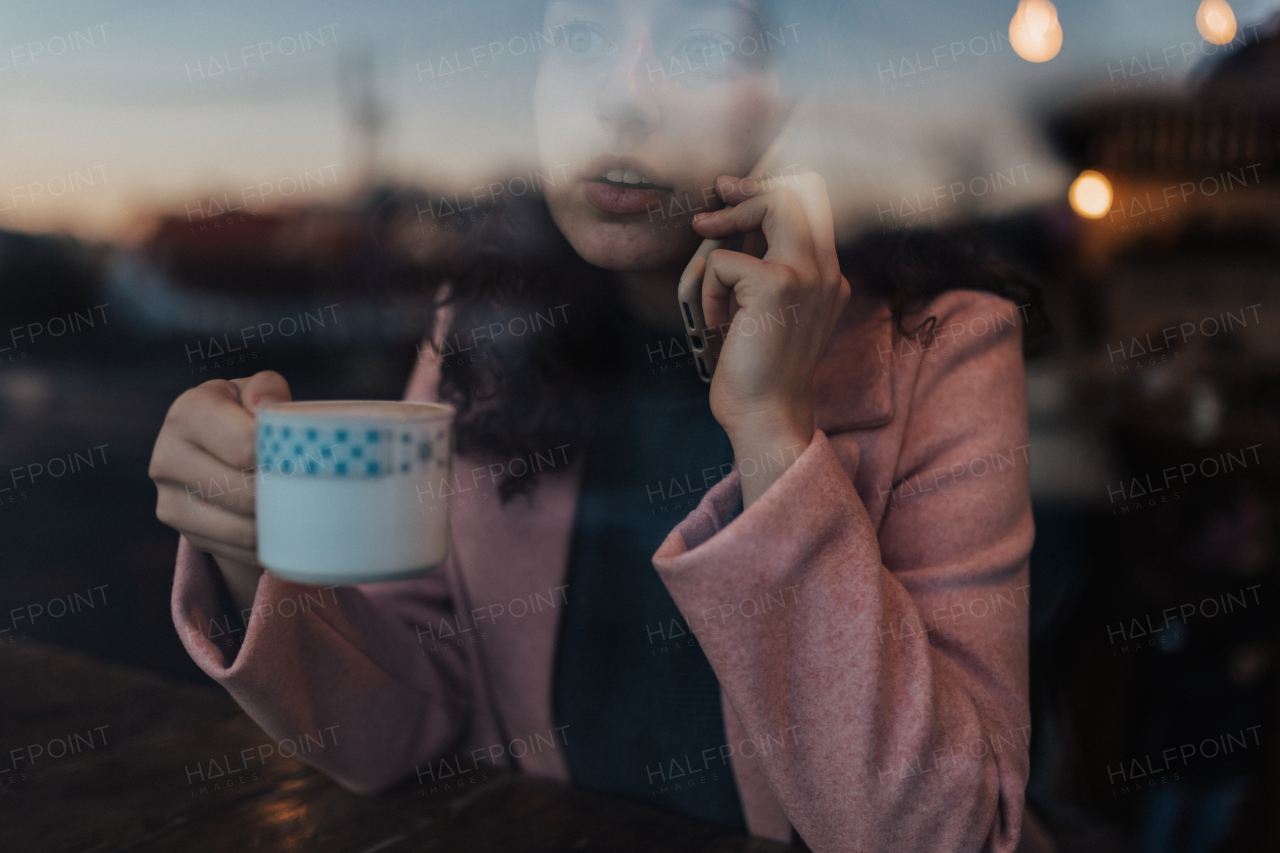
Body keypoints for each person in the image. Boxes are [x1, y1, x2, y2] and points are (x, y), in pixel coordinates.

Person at [149, 1, 1043, 850]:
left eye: (699, 51)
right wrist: (252, 538)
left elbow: (941, 832)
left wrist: (774, 433)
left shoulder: (944, 343)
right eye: (579, 39)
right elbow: (400, 726)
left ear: (790, 98)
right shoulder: (483, 327)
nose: (622, 97)